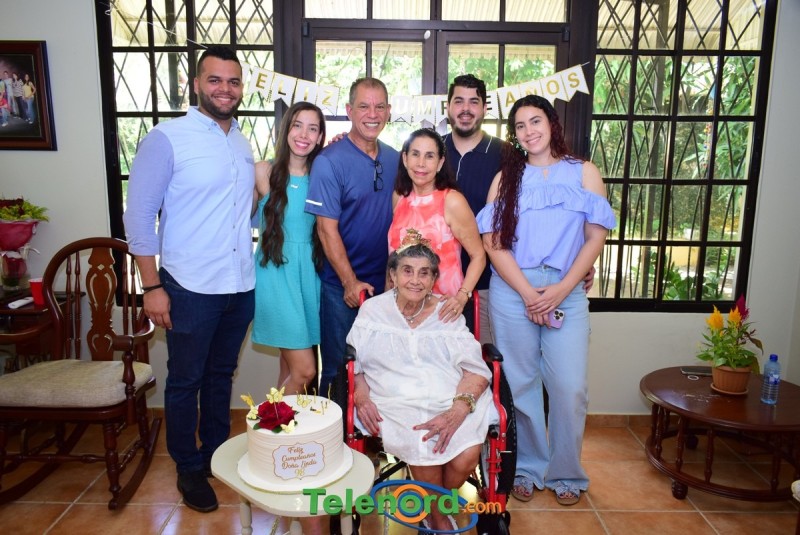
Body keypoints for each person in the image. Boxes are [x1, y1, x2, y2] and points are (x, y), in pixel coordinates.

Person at [123, 45, 255, 513]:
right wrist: (151, 286)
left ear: (242, 88)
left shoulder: (241, 143)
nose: (224, 89)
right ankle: (188, 467)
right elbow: (139, 216)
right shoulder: (167, 138)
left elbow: (242, 211)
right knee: (185, 381)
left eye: (233, 81)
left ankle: (215, 454)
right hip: (189, 285)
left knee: (221, 375)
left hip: (239, 286)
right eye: (214, 80)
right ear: (196, 84)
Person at [477, 95, 616, 506]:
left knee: (570, 387)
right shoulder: (505, 178)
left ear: (552, 124)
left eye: (535, 121)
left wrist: (562, 289)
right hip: (512, 290)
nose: (528, 131)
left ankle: (566, 472)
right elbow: (493, 243)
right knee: (521, 384)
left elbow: (595, 238)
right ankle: (527, 467)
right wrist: (527, 293)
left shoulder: (584, 172)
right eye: (520, 126)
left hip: (565, 290)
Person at [346, 239, 492, 533]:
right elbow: (355, 365)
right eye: (407, 271)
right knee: (423, 441)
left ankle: (431, 501)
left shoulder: (447, 311)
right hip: (394, 399)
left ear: (434, 279)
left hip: (453, 395)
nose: (415, 280)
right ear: (393, 275)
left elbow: (475, 369)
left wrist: (458, 410)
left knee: (466, 457)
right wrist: (361, 396)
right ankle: (438, 516)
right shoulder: (373, 310)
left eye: (424, 272)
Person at [305, 77, 400, 396]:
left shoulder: (396, 159)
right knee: (337, 370)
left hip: (386, 288)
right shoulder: (329, 161)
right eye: (363, 106)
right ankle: (333, 431)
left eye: (379, 106)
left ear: (388, 111)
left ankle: (368, 431)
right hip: (341, 288)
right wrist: (349, 282)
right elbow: (325, 229)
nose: (372, 114)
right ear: (349, 110)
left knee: (380, 370)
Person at [252, 101, 326, 397]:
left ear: (320, 137)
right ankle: (266, 421)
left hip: (309, 275)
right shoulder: (263, 172)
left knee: (288, 369)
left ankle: (283, 427)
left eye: (312, 128)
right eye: (297, 125)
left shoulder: (322, 176)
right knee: (305, 371)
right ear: (285, 130)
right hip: (276, 274)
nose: (304, 135)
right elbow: (233, 220)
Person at [388, 128, 485, 324]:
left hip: (443, 312)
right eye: (415, 154)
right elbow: (393, 257)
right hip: (402, 309)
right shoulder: (399, 197)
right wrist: (388, 300)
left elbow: (479, 256)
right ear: (405, 159)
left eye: (429, 156)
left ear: (440, 163)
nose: (421, 163)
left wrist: (462, 296)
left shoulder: (452, 201)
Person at [442, 74, 504, 341]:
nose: (465, 109)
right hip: (436, 286)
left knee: (484, 358)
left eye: (473, 102)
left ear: (484, 108)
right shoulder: (431, 151)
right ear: (448, 107)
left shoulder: (506, 154)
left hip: (488, 284)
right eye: (459, 101)